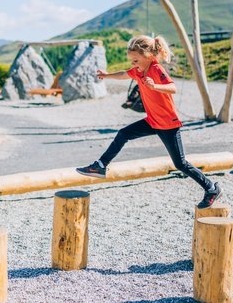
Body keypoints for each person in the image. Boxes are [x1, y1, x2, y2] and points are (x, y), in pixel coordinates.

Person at [76, 35, 222, 208]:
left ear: (149, 55)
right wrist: (107, 75)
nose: (132, 63)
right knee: (123, 134)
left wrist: (155, 86)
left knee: (180, 164)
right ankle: (100, 166)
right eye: (131, 60)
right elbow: (124, 74)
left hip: (168, 124)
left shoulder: (156, 69)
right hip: (152, 121)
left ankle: (211, 188)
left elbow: (173, 87)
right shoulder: (138, 71)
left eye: (135, 60)